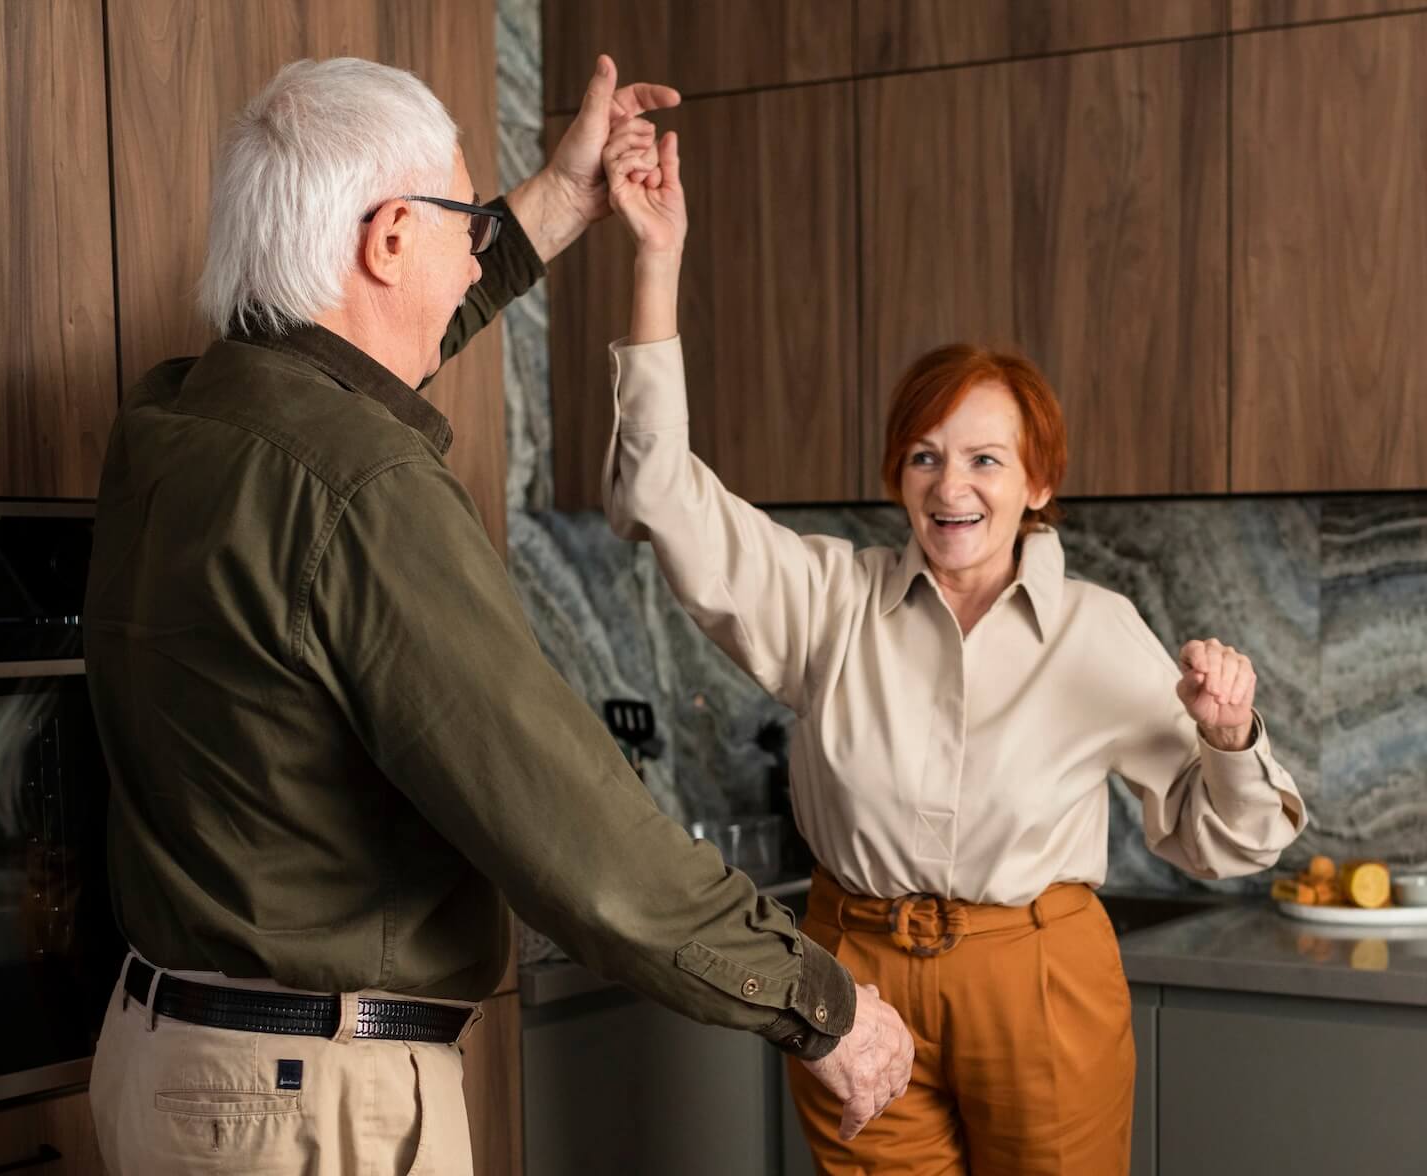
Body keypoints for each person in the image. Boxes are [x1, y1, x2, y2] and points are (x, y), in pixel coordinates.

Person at [81, 55, 911, 1174]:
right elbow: (582, 839)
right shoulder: (366, 492)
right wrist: (820, 1004)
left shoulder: (176, 419)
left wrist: (549, 208)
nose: (476, 244)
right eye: (464, 221)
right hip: (306, 1108)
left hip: (165, 1064)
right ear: (384, 241)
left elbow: (343, 372)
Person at [601, 127, 1307, 1174]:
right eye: (925, 457)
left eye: (985, 458)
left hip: (1039, 977)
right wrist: (656, 262)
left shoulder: (1097, 633)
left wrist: (1231, 736)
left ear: (1037, 484)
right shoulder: (829, 599)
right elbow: (663, 492)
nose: (950, 486)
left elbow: (1226, 843)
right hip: (855, 979)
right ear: (898, 476)